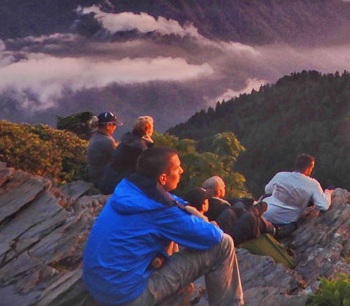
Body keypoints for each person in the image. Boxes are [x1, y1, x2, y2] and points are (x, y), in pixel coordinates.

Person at [82, 147, 243, 306]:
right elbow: (213, 236)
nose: (182, 171)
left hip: (99, 285)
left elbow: (171, 199)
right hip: (127, 297)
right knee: (224, 244)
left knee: (171, 233)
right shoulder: (162, 212)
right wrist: (201, 218)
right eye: (177, 167)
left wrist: (186, 207)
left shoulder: (128, 189)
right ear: (163, 178)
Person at [262, 154, 333, 237]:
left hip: (265, 213)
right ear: (308, 169)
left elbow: (267, 190)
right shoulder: (312, 184)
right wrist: (328, 193)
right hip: (284, 221)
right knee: (294, 226)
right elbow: (324, 206)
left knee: (264, 197)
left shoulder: (281, 175)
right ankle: (276, 231)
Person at [99, 116, 154, 194]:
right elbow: (148, 168)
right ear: (147, 130)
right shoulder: (140, 147)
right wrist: (150, 145)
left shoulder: (127, 140)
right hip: (119, 186)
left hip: (109, 181)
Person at [86, 111, 121, 186]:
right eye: (114, 124)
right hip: (104, 181)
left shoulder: (97, 137)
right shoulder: (106, 141)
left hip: (97, 178)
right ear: (108, 125)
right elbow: (120, 158)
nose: (115, 126)